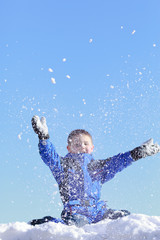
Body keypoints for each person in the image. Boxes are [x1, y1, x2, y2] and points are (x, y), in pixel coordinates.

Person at [30, 115, 160, 227]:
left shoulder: (97, 166)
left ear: (92, 148)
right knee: (71, 229)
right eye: (76, 144)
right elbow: (50, 157)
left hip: (98, 211)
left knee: (124, 217)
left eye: (85, 143)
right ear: (69, 148)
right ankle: (46, 224)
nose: (82, 146)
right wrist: (44, 138)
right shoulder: (64, 165)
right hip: (76, 212)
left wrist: (137, 153)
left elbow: (118, 162)